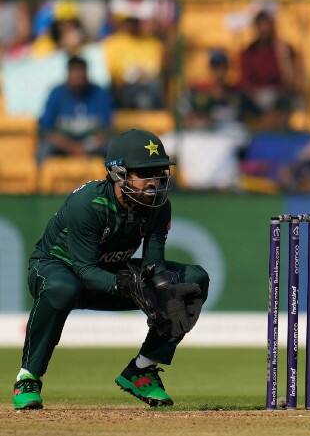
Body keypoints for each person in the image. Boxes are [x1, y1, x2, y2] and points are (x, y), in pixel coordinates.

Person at [12, 129, 209, 410]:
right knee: (62, 287)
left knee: (193, 280)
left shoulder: (158, 206)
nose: (155, 182)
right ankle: (27, 378)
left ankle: (142, 370)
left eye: (160, 172)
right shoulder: (88, 204)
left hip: (113, 272)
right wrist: (128, 285)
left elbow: (154, 264)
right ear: (119, 174)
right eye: (145, 174)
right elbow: (84, 269)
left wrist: (160, 287)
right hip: (59, 269)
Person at [38, 56, 113, 161]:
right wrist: (71, 147)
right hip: (63, 143)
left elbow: (106, 130)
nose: (78, 75)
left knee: (112, 149)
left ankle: (116, 177)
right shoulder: (56, 93)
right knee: (44, 149)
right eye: (74, 71)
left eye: (81, 71)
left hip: (92, 143)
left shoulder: (100, 93)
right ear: (68, 73)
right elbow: (46, 130)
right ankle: (40, 177)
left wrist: (86, 146)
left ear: (87, 73)